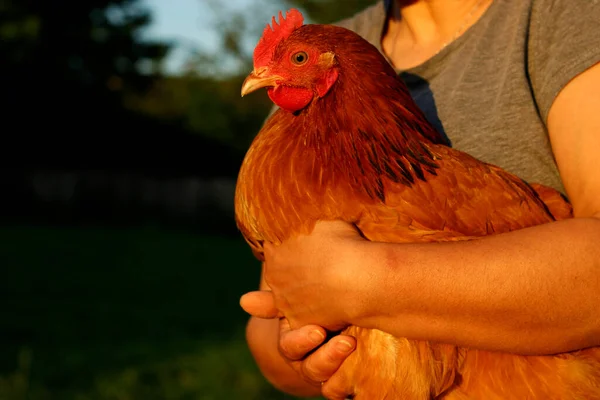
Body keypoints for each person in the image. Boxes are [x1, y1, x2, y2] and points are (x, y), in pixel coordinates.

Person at [240, 0, 600, 398]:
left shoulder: (565, 16)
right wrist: (304, 349)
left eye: (299, 59)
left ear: (329, 66)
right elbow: (270, 324)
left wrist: (363, 282)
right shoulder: (328, 50)